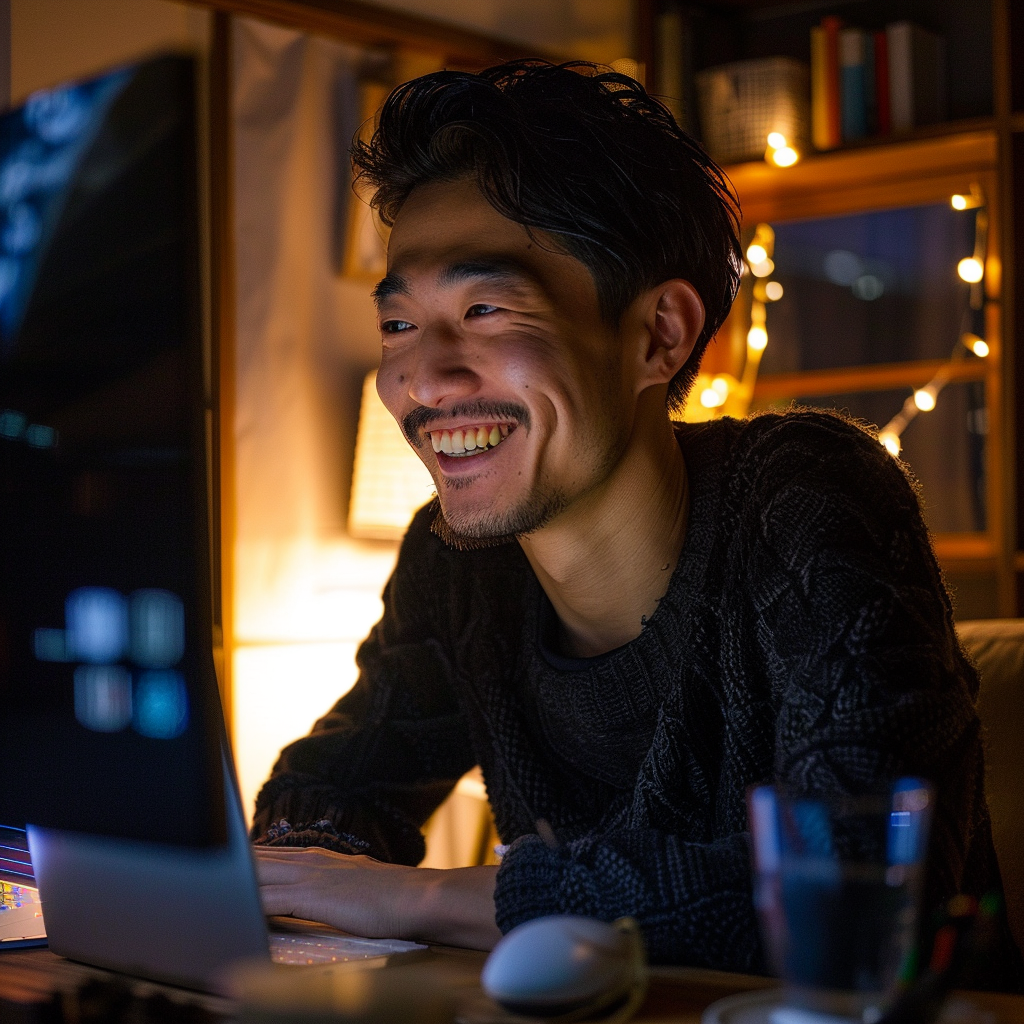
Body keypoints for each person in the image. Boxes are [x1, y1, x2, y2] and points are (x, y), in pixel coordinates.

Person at [250, 60, 1021, 984]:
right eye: (400, 326)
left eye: (484, 308)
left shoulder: (809, 497)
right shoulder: (457, 562)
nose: (420, 381)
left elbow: (858, 889)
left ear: (660, 334)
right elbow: (327, 793)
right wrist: (294, 872)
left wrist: (410, 898)